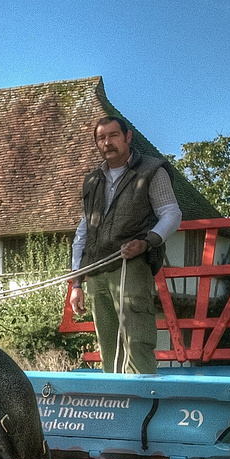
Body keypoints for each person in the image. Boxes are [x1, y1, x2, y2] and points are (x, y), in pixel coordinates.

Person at [68, 116, 182, 375]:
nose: (107, 142)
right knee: (107, 343)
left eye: (113, 135)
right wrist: (76, 283)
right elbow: (83, 231)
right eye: (101, 138)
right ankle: (116, 403)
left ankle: (141, 401)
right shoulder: (92, 181)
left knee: (137, 340)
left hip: (131, 266)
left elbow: (172, 214)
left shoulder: (152, 170)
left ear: (128, 137)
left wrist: (146, 242)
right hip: (97, 272)